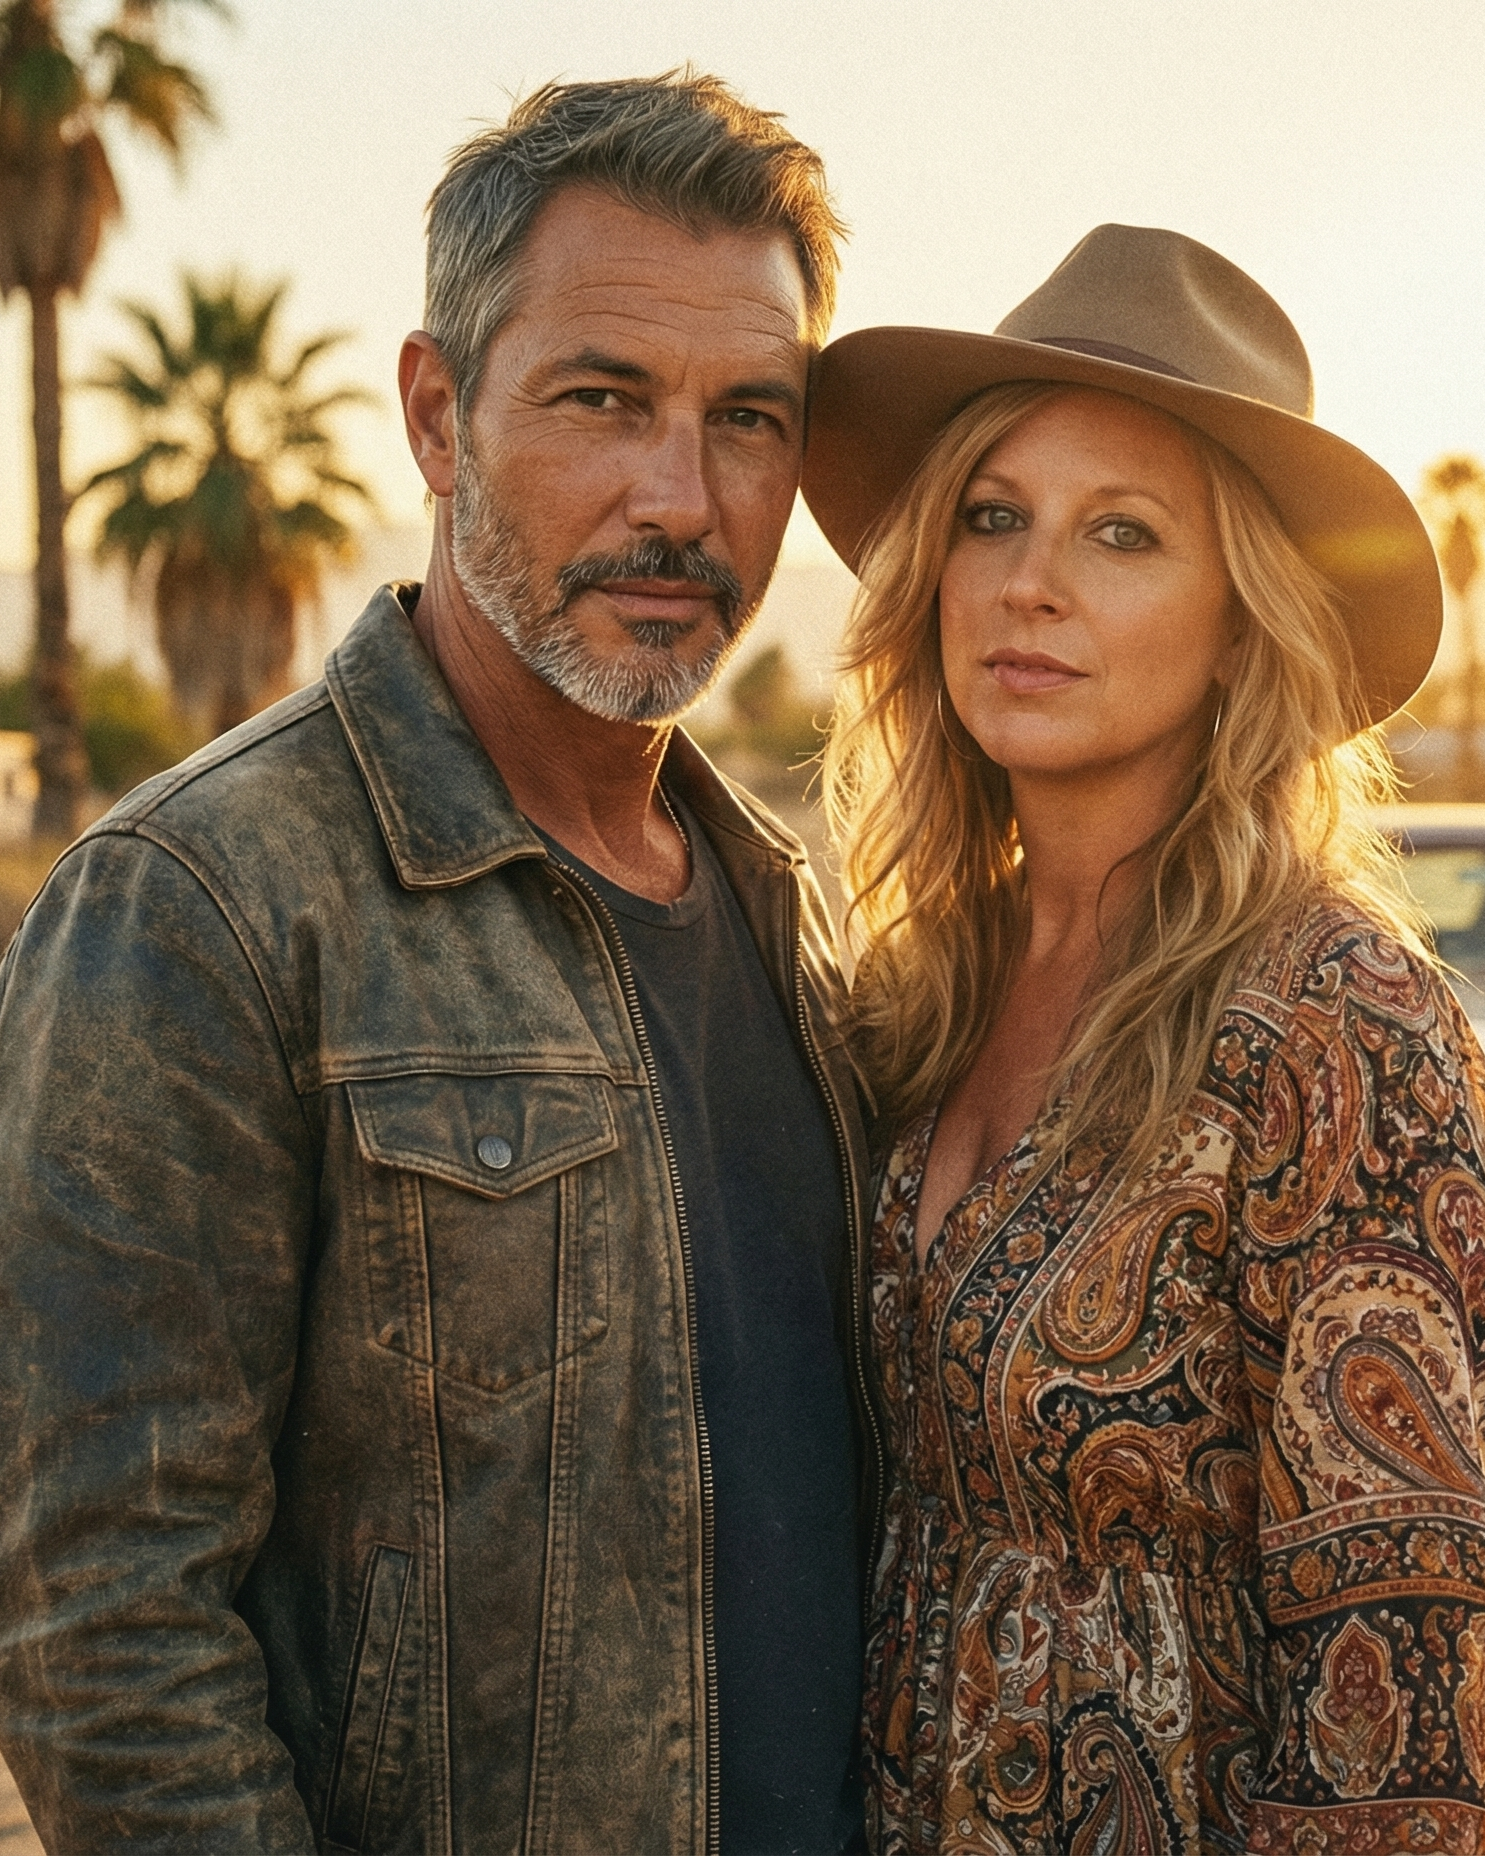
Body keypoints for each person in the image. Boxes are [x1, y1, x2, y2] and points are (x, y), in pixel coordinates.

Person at [0, 74, 879, 1855]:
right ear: (436, 413)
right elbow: (104, 1635)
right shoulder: (198, 905)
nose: (684, 499)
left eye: (751, 419)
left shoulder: (802, 916)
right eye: (603, 399)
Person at [807, 225, 1485, 1853]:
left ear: (1245, 619)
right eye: (994, 517)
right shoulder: (918, 993)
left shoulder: (1338, 1029)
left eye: (1123, 534)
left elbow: (1402, 1677)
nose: (1030, 582)